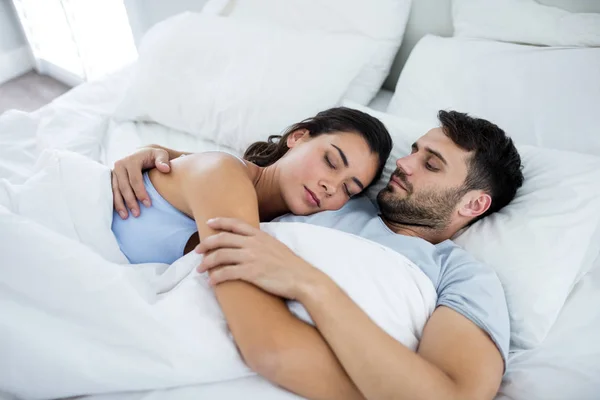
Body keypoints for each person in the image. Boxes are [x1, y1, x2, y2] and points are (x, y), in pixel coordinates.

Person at [113, 110, 524, 400]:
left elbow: (454, 393)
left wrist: (310, 284)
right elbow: (239, 177)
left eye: (430, 164)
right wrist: (157, 152)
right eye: (414, 150)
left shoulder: (463, 276)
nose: (404, 163)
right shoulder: (328, 197)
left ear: (473, 205)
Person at [111, 107, 393, 265]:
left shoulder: (279, 229)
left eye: (349, 189)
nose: (331, 187)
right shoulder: (225, 174)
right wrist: (148, 149)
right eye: (331, 161)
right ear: (298, 137)